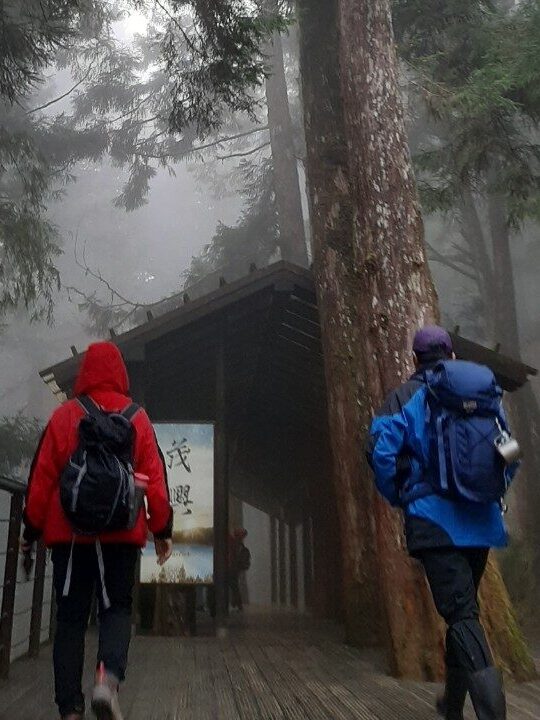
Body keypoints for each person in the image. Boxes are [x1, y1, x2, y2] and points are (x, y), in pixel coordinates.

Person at [21, 342, 173, 720]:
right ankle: (106, 681)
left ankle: (70, 709)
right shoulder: (137, 418)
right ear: (121, 373)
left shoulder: (65, 416)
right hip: (121, 536)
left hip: (70, 537)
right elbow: (155, 478)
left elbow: (41, 478)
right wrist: (162, 528)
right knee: (116, 610)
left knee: (70, 619)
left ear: (84, 373)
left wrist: (30, 528)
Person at [368, 326, 514, 720]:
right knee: (463, 612)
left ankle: (493, 714)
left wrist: (400, 495)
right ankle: (451, 706)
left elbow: (381, 452)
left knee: (462, 616)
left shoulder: (404, 397)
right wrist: (493, 490)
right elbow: (510, 451)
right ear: (450, 354)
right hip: (481, 522)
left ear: (415, 359)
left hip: (434, 523)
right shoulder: (483, 396)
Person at [228, 528, 250, 611]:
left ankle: (237, 603)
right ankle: (236, 603)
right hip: (235, 568)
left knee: (233, 586)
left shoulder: (233, 542)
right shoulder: (239, 544)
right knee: (234, 586)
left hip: (231, 567)